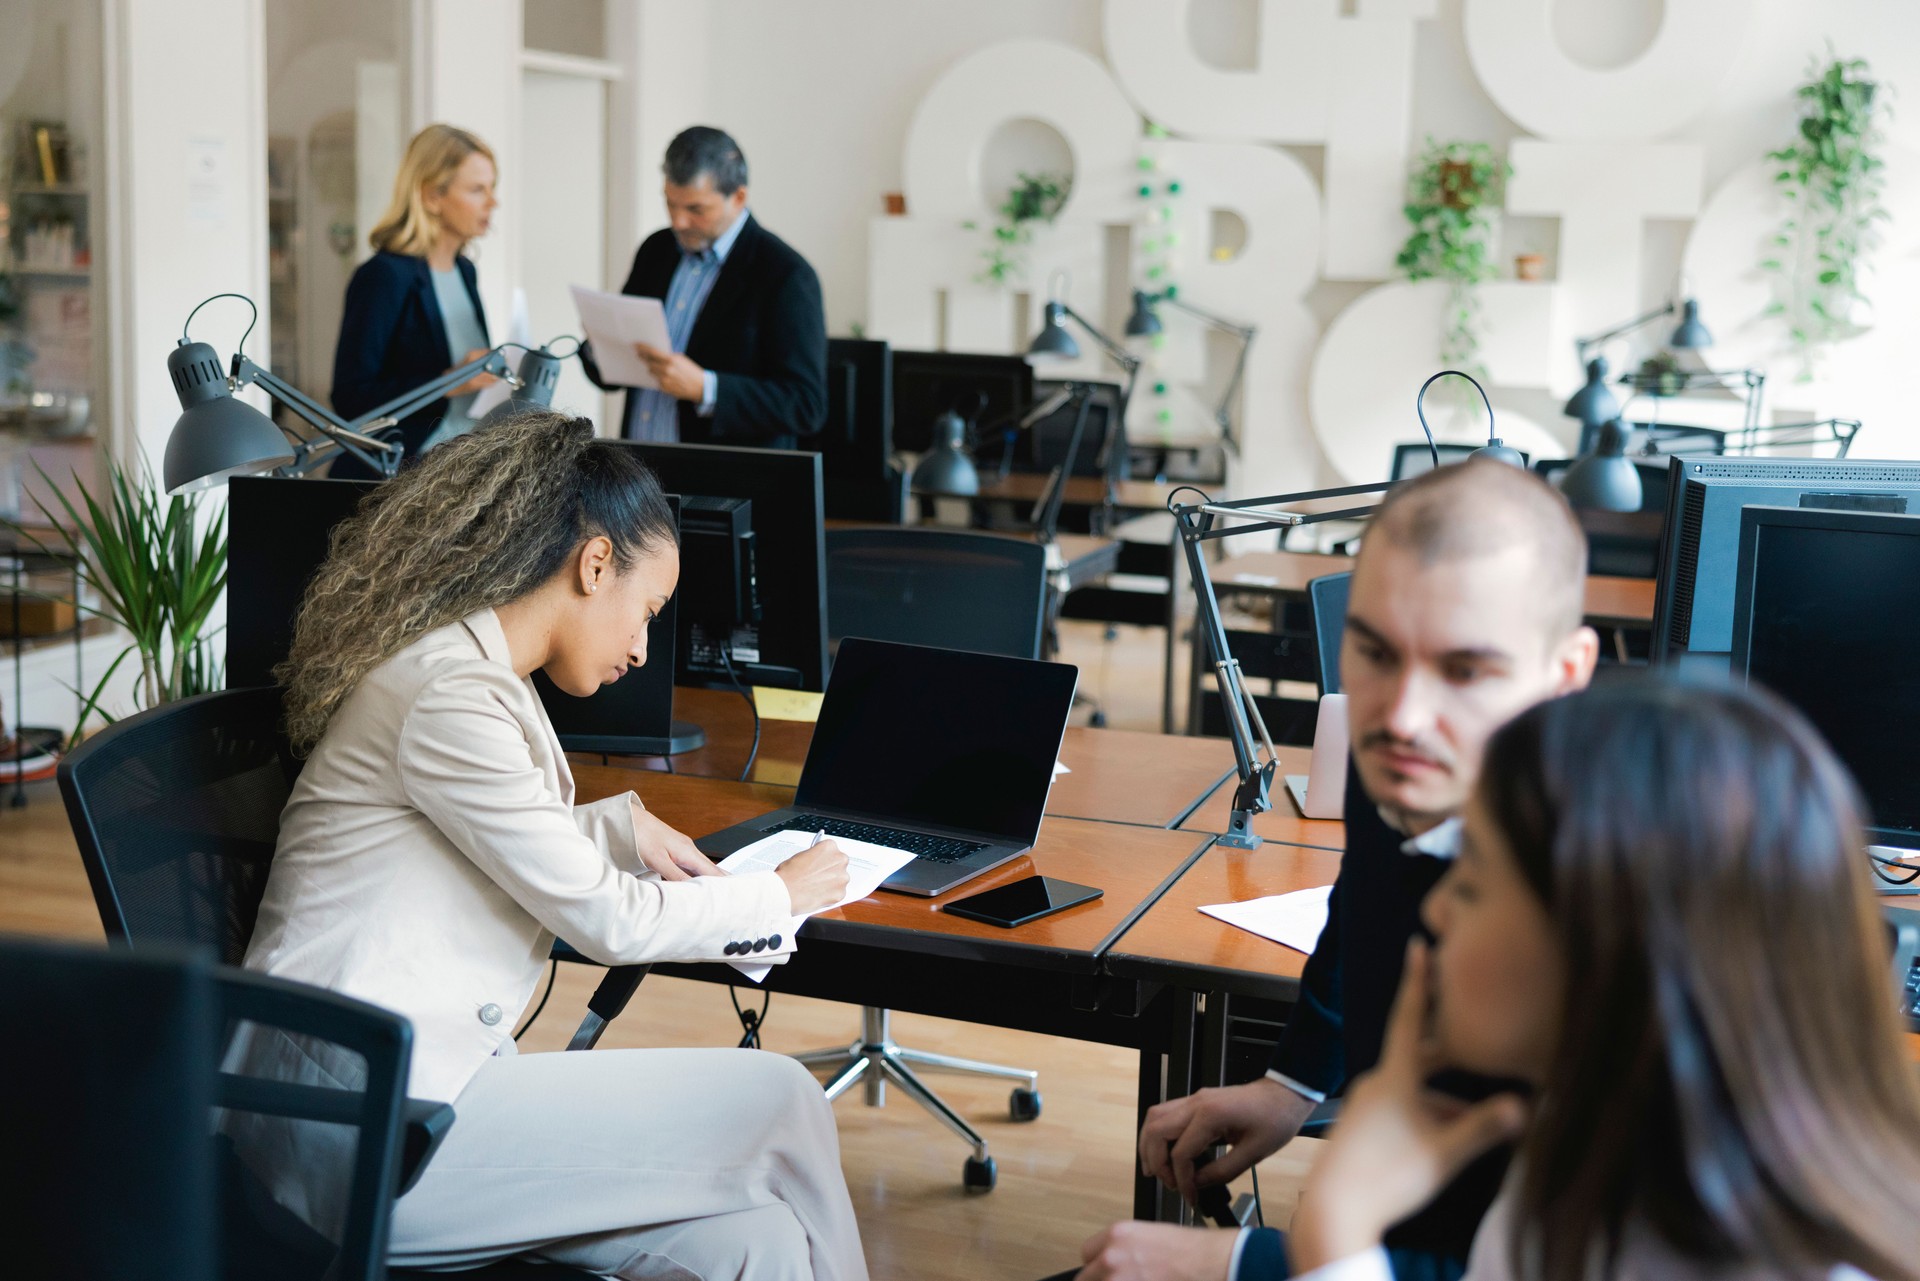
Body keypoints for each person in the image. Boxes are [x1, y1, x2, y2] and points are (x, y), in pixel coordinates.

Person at [238, 411, 868, 1279]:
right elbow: (608, 920)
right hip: (373, 1127)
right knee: (788, 1101)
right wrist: (780, 894)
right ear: (595, 562)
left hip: (420, 1088)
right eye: (646, 610)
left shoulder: (468, 673)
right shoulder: (449, 695)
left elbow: (466, 834)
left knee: (749, 1242)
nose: (644, 649)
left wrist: (615, 825)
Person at [1103, 458, 1603, 1280]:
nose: (1401, 717)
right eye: (1372, 652)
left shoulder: (1627, 903)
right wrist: (1292, 1084)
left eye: (1465, 669)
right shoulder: (1402, 770)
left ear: (1566, 675)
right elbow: (1359, 913)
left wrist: (1244, 1264)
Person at [1284, 678, 1920, 1280]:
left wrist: (1338, 1228)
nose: (1436, 908)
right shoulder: (1583, 1167)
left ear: (1600, 943)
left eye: (1472, 881)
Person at [580, 125, 827, 448]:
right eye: (670, 204)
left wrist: (706, 389)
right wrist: (600, 346)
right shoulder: (655, 249)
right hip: (637, 476)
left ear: (738, 197)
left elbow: (806, 405)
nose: (678, 221)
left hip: (722, 486)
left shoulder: (786, 274)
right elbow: (613, 374)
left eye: (696, 209)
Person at [330, 123, 502, 476]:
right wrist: (449, 381)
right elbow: (350, 398)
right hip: (405, 478)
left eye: (492, 188)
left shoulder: (464, 271)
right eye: (476, 189)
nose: (492, 202)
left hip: (465, 471)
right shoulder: (384, 277)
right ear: (431, 197)